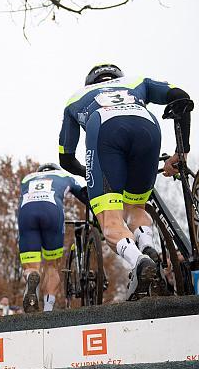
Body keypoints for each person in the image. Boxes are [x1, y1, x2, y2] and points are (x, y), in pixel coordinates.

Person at [58, 63, 193, 300]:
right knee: (135, 207)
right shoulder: (137, 81)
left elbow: (66, 159)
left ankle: (140, 261)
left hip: (104, 128)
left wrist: (91, 175)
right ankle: (147, 244)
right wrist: (181, 153)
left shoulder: (75, 98)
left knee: (110, 219)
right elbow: (181, 97)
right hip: (146, 125)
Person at [18, 163, 88, 312]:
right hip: (51, 210)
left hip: (26, 212)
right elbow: (85, 195)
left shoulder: (27, 178)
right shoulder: (65, 176)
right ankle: (48, 309)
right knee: (51, 264)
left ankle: (32, 278)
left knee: (31, 266)